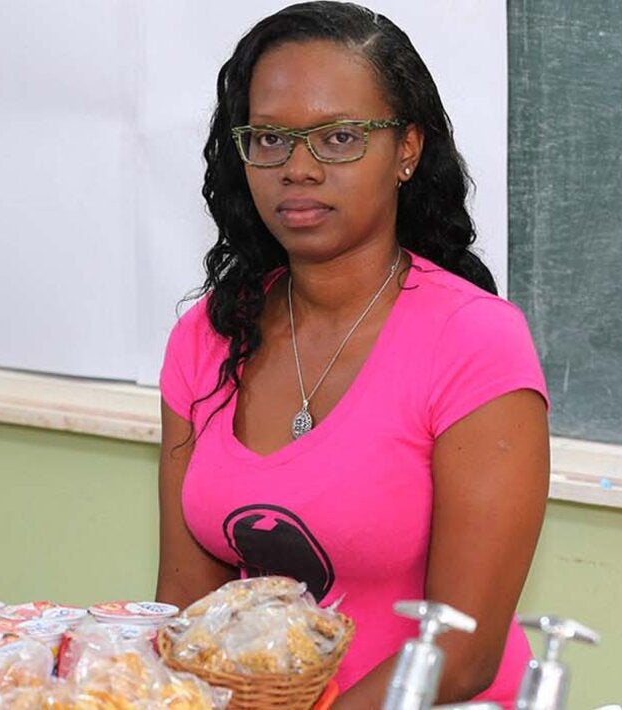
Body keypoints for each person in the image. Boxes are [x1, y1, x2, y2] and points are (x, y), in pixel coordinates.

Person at [155, 2, 550, 706]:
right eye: (269, 140)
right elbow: (188, 613)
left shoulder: (473, 341)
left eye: (337, 137)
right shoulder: (207, 339)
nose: (297, 169)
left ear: (406, 149)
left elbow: (461, 653)